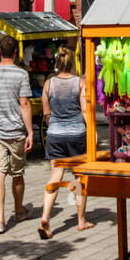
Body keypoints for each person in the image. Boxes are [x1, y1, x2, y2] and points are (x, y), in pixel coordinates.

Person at [0, 34, 33, 234]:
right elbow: (24, 104)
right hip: (16, 131)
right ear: (16, 53)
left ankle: (0, 220)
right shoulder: (21, 75)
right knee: (17, 173)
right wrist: (30, 132)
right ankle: (19, 210)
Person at [37, 45, 94, 240]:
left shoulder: (48, 84)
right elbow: (85, 112)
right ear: (72, 63)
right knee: (79, 177)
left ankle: (45, 218)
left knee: (55, 176)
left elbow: (46, 114)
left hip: (55, 135)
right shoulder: (80, 83)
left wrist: (54, 125)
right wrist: (93, 134)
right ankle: (80, 220)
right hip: (77, 134)